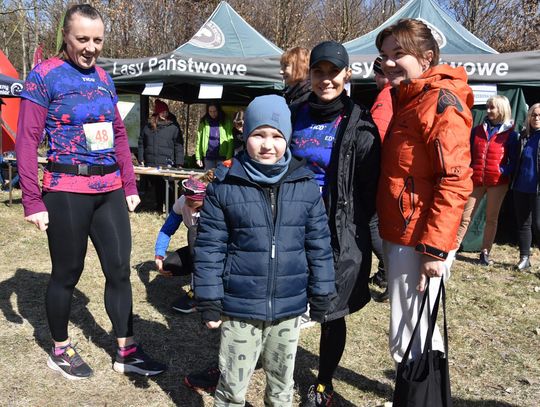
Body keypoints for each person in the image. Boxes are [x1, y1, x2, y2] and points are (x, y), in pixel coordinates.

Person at [15, 4, 165, 380]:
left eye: (97, 40)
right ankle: (60, 349)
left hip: (109, 187)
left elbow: (118, 133)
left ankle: (126, 350)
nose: (91, 47)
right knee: (68, 272)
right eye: (82, 38)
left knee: (119, 269)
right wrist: (32, 200)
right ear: (65, 36)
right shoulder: (44, 75)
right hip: (66, 189)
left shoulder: (103, 78)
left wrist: (129, 183)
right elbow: (26, 140)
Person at [193, 94, 335, 406]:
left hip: (288, 307)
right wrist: (210, 299)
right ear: (245, 135)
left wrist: (322, 292)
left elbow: (319, 244)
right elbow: (210, 247)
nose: (267, 145)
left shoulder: (305, 185)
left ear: (288, 139)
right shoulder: (224, 185)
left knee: (282, 385)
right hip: (240, 305)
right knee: (232, 385)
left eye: (276, 136)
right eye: (259, 134)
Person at [376, 18, 473, 372]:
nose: (388, 62)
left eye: (398, 53)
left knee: (412, 333)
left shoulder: (440, 102)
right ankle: (416, 391)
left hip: (419, 239)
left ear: (427, 57)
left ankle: (418, 393)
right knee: (411, 328)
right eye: (384, 55)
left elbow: (455, 178)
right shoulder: (408, 99)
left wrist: (434, 250)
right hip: (401, 232)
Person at [289, 41, 380, 406]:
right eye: (319, 71)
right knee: (274, 297)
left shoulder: (360, 124)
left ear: (347, 75)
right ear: (310, 74)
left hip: (336, 231)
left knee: (331, 310)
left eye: (333, 72)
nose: (326, 79)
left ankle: (323, 385)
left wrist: (371, 240)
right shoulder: (292, 112)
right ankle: (248, 361)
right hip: (290, 223)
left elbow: (369, 190)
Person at [456, 95, 519, 265]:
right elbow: (468, 152)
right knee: (465, 216)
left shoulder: (511, 135)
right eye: (487, 107)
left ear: (502, 109)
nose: (488, 110)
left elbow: (514, 161)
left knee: (491, 218)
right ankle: (453, 248)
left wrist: (502, 170)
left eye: (492, 107)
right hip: (476, 179)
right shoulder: (477, 130)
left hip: (498, 182)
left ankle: (485, 253)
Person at [154, 170, 214, 312]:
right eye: (186, 198)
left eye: (191, 200)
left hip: (220, 251)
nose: (186, 202)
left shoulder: (216, 205)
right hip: (198, 247)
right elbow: (167, 229)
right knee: (169, 264)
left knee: (193, 232)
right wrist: (159, 254)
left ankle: (199, 293)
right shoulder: (183, 202)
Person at [368, 56, 393, 302]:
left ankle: (389, 274)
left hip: (378, 173)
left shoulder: (386, 97)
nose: (374, 79)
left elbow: (376, 139)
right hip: (387, 173)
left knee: (372, 225)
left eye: (377, 74)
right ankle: (386, 274)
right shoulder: (396, 94)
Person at [138, 98, 184, 211]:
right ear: (157, 113)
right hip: (152, 162)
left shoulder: (173, 127)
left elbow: (178, 145)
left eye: (166, 112)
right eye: (162, 112)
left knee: (169, 187)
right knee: (157, 187)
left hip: (168, 162)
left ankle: (170, 209)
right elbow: (141, 142)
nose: (165, 114)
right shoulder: (148, 126)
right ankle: (158, 207)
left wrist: (179, 163)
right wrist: (141, 158)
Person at [511, 103, 540, 270]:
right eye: (533, 115)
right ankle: (524, 258)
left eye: (539, 115)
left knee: (538, 225)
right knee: (523, 223)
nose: (536, 118)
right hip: (521, 185)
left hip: (537, 188)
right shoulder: (524, 136)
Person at [195, 103, 233, 169]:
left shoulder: (226, 121)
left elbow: (230, 139)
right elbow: (199, 140)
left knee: (221, 174)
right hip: (209, 156)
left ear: (218, 111)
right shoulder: (204, 122)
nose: (213, 114)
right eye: (210, 111)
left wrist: (229, 157)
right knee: (209, 174)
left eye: (215, 111)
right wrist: (198, 158)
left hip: (222, 156)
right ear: (207, 111)